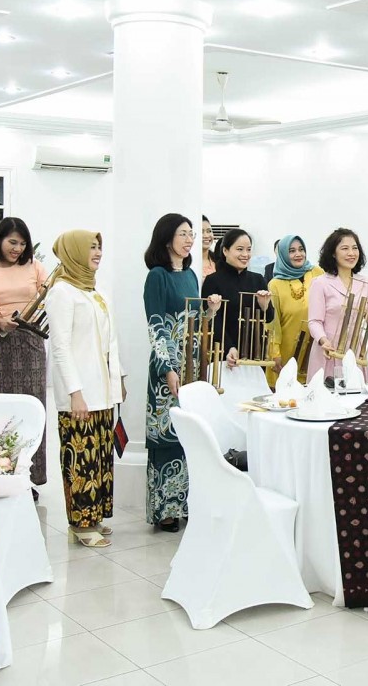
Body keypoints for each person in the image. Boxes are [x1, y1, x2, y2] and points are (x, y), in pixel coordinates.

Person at [143, 213, 221, 532]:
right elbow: (156, 324)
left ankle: (187, 502)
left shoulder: (191, 277)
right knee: (167, 435)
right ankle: (165, 510)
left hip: (191, 364)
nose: (190, 239)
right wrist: (168, 368)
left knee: (190, 434)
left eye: (192, 234)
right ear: (166, 239)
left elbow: (195, 322)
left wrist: (210, 311)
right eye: (183, 234)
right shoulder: (157, 276)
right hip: (167, 368)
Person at [47, 230, 125, 548]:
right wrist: (74, 392)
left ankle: (92, 516)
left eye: (99, 247)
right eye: (90, 248)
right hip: (79, 392)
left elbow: (112, 341)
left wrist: (118, 378)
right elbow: (61, 347)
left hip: (102, 389)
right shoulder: (62, 292)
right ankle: (80, 524)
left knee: (100, 456)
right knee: (80, 456)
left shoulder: (95, 292)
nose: (97, 253)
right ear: (74, 252)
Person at [0, 217, 50, 486]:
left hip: (32, 345)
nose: (17, 248)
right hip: (0, 345)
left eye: (22, 243)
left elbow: (48, 302)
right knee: (5, 413)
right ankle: (4, 477)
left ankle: (32, 478)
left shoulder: (36, 267)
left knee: (34, 409)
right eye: (12, 242)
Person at [307, 228, 368, 381]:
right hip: (328, 352)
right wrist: (323, 340)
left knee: (355, 399)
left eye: (355, 248)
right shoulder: (320, 283)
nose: (351, 253)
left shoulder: (366, 283)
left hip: (354, 353)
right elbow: (314, 321)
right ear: (333, 253)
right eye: (345, 248)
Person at [201, 228, 274, 366]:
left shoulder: (258, 280)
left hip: (254, 355)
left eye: (248, 249)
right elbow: (213, 320)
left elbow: (269, 317)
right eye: (239, 249)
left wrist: (265, 305)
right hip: (223, 355)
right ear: (225, 251)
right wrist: (228, 347)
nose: (245, 254)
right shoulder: (213, 281)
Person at [265, 234, 323, 386]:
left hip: (315, 349)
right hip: (286, 351)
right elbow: (273, 322)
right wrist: (274, 352)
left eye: (301, 249)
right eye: (291, 251)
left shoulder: (317, 273)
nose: (298, 254)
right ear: (283, 255)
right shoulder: (275, 284)